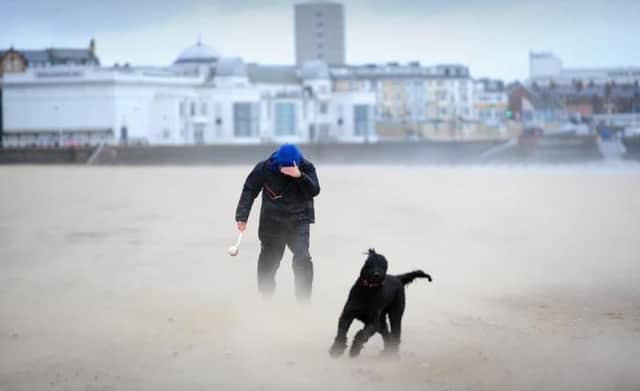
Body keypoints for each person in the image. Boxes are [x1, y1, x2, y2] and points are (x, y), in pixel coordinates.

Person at [235, 144, 320, 301]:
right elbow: (249, 190)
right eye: (283, 167)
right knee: (269, 261)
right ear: (277, 163)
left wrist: (299, 176)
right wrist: (242, 216)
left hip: (299, 220)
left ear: (297, 163)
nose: (285, 170)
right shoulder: (264, 168)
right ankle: (266, 297)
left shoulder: (306, 168)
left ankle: (304, 302)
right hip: (272, 222)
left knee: (303, 258)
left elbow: (314, 190)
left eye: (290, 167)